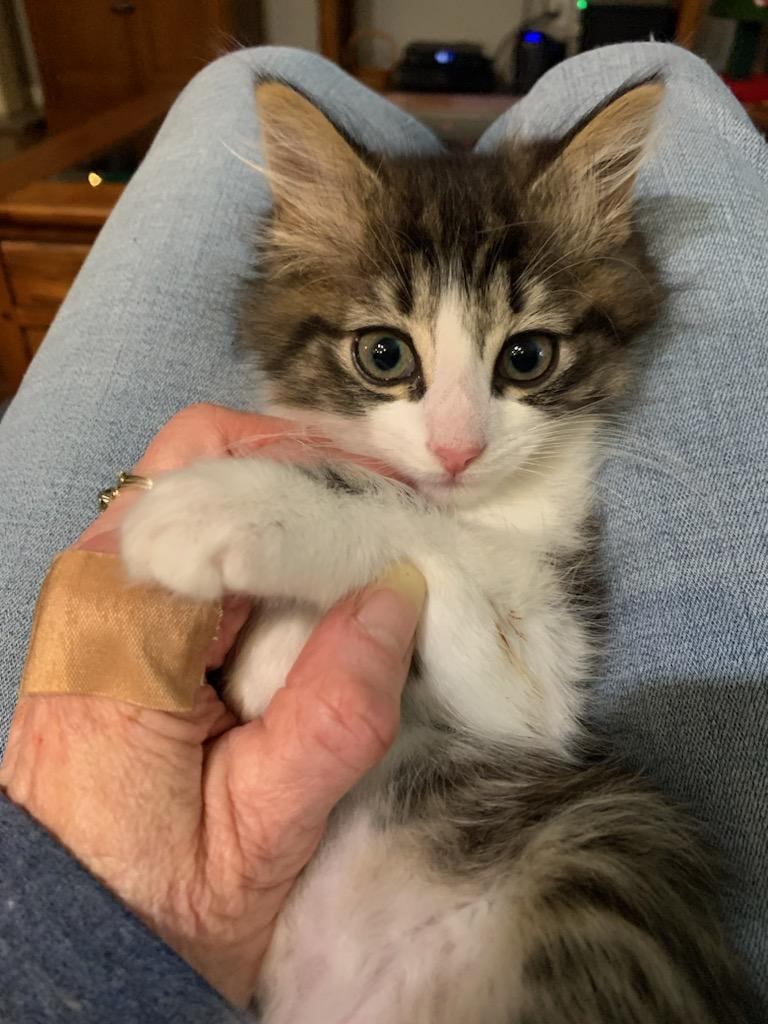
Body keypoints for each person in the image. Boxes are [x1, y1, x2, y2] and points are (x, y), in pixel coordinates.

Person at [0, 41, 766, 1022]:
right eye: (385, 351)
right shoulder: (298, 433)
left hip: (486, 880)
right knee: (247, 82)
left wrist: (332, 526)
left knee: (233, 88)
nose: (456, 442)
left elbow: (515, 692)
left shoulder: (546, 481)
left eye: (523, 356)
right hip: (319, 922)